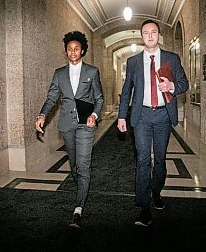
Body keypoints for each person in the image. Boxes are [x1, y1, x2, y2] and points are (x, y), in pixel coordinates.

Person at [117, 19, 189, 226]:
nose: (150, 35)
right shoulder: (133, 62)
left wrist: (172, 86)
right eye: (146, 32)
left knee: (159, 159)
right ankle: (144, 206)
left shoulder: (171, 59)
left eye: (154, 32)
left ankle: (156, 191)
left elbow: (185, 83)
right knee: (142, 160)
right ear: (142, 36)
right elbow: (126, 92)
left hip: (163, 116)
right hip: (141, 116)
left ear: (159, 35)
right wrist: (122, 116)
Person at [35, 31, 104, 229]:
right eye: (69, 49)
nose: (73, 52)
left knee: (83, 166)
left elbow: (99, 98)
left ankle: (78, 209)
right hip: (66, 125)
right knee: (74, 166)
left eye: (76, 48)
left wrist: (95, 115)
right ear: (66, 52)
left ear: (82, 50)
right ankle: (81, 186)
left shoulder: (92, 72)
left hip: (86, 124)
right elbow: (51, 98)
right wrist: (42, 115)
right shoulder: (59, 74)